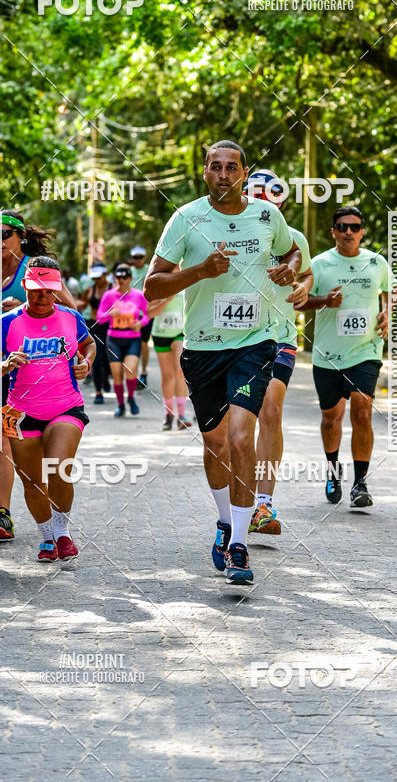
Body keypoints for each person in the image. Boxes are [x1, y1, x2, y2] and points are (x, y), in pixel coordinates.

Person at [144, 140, 302, 585]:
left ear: (245, 173)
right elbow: (152, 287)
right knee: (214, 444)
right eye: (216, 167)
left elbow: (291, 251)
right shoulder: (186, 218)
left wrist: (289, 267)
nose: (224, 174)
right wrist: (199, 272)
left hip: (255, 343)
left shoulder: (267, 215)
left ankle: (238, 545)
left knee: (239, 437)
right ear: (205, 172)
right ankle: (224, 520)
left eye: (232, 167)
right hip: (203, 348)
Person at [0, 257, 95, 562]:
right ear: (25, 287)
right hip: (21, 413)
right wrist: (4, 365)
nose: (42, 297)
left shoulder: (72, 318)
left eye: (48, 291)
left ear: (58, 289)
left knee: (59, 467)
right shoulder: (7, 322)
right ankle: (46, 536)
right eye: (35, 290)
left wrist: (86, 363)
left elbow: (89, 345)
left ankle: (62, 532)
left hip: (66, 407)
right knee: (32, 481)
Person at [0, 212, 77, 542]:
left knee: (43, 461)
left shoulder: (34, 268)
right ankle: (3, 514)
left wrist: (24, 304)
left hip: (38, 373)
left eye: (4, 234)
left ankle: (54, 525)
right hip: (0, 364)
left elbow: (70, 311)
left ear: (19, 236)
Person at [303, 206, 391, 509]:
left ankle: (360, 482)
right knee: (331, 418)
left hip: (366, 351)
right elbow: (300, 302)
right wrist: (325, 301)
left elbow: (390, 292)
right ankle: (332, 471)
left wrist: (387, 312)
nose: (348, 232)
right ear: (333, 232)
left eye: (354, 227)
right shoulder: (320, 264)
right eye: (342, 227)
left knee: (362, 412)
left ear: (362, 231)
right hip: (327, 355)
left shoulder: (376, 262)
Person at [242, 172, 314, 536]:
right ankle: (235, 507)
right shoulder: (231, 230)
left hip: (279, 336)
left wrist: (302, 288)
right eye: (255, 194)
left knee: (270, 409)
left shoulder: (293, 238)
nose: (264, 200)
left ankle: (263, 505)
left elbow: (309, 274)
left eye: (271, 195)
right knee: (236, 426)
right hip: (233, 340)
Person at [97, 263, 149, 417]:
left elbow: (147, 314)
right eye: (118, 276)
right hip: (114, 338)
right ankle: (120, 405)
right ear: (114, 278)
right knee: (117, 375)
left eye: (124, 276)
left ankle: (131, 398)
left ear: (130, 278)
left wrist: (141, 323)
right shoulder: (108, 296)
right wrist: (109, 314)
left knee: (130, 370)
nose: (121, 279)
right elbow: (99, 318)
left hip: (132, 338)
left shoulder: (138, 295)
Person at [147, 280, 191, 431]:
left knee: (180, 370)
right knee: (167, 375)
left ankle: (182, 416)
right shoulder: (158, 283)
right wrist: (167, 300)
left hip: (180, 333)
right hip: (161, 334)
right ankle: (169, 414)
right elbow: (149, 312)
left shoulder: (187, 282)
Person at [84, 264, 112, 404]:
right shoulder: (90, 290)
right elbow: (83, 303)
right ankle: (98, 392)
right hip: (94, 326)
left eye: (99, 277)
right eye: (94, 278)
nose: (97, 280)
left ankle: (106, 378)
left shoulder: (114, 289)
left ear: (105, 274)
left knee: (108, 359)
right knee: (97, 359)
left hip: (110, 327)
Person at [129, 246, 152, 388]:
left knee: (144, 343)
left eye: (140, 257)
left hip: (146, 312)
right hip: (131, 314)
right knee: (134, 345)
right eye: (135, 257)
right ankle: (135, 375)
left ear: (144, 258)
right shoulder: (128, 272)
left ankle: (143, 372)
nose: (138, 260)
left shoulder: (150, 269)